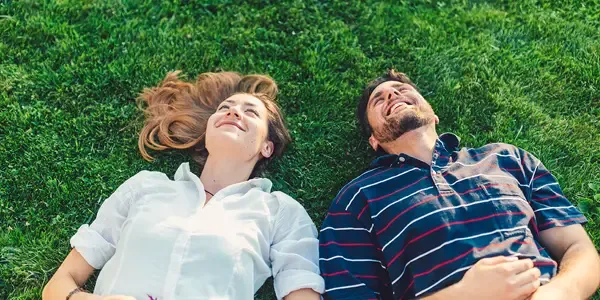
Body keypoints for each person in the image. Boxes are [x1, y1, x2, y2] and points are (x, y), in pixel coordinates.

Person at [319, 69, 600, 299]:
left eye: (402, 89)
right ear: (374, 141)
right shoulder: (356, 199)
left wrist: (560, 292)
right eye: (378, 100)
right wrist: (464, 294)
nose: (392, 94)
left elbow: (577, 248)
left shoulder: (507, 158)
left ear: (432, 112)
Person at [42, 71, 324, 300]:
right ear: (207, 134)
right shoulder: (145, 187)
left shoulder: (278, 212)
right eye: (225, 108)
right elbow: (57, 287)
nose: (234, 113)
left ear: (266, 147)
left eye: (250, 112)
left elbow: (302, 290)